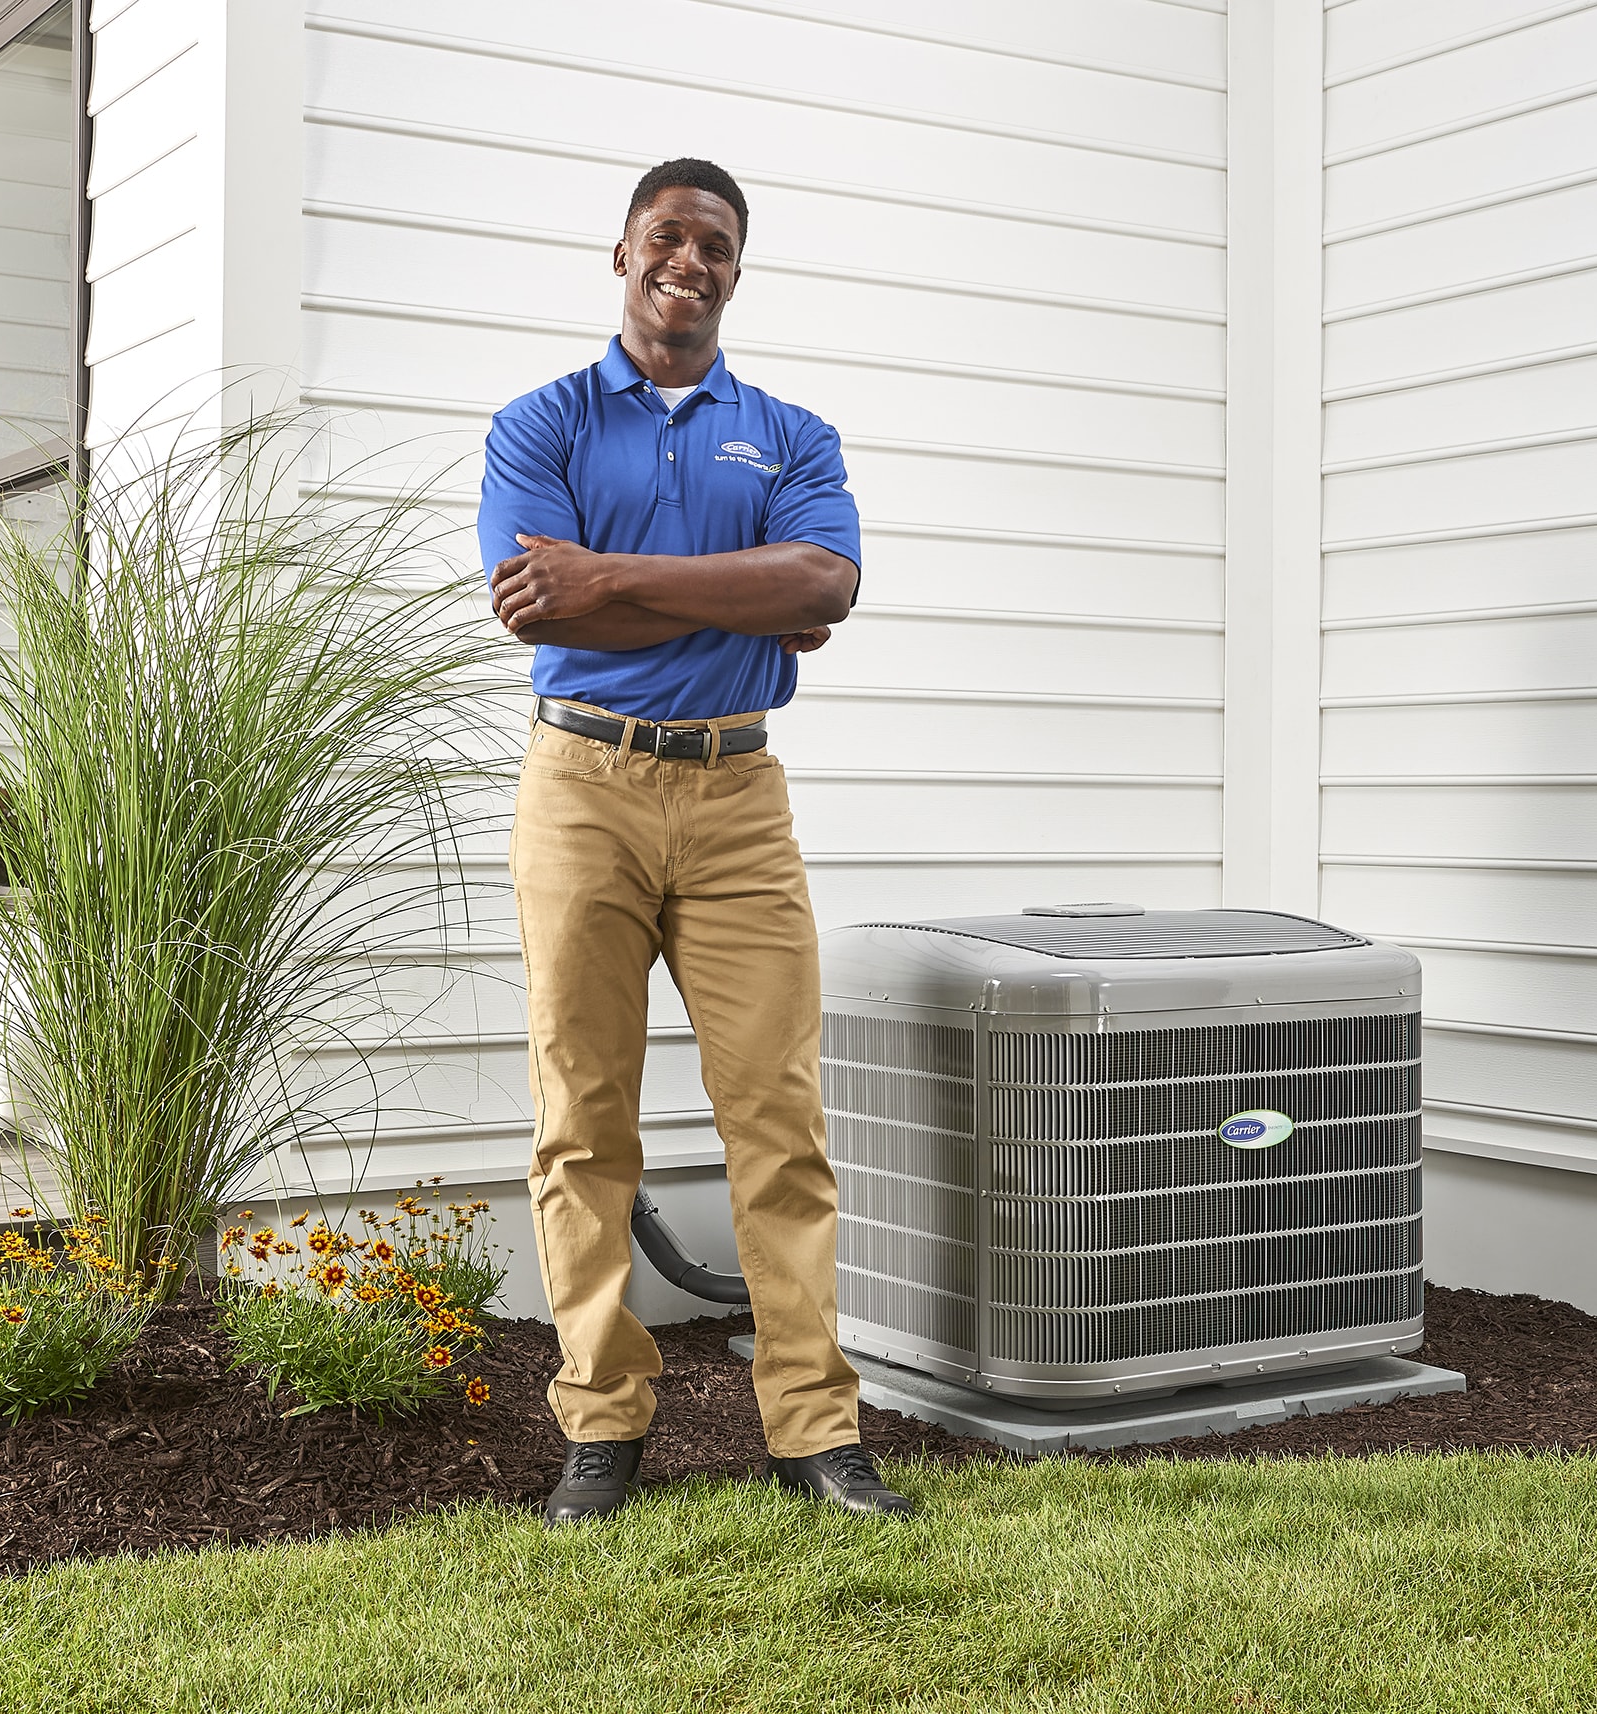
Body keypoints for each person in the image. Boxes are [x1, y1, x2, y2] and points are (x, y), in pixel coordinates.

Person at [479, 157, 914, 1525]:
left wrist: (608, 572)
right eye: (668, 236)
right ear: (623, 252)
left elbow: (827, 578)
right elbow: (543, 613)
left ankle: (812, 1429)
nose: (692, 259)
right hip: (582, 789)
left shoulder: (789, 433)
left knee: (779, 1122)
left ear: (737, 268)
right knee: (582, 1119)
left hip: (738, 798)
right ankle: (602, 1424)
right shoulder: (539, 424)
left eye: (717, 243)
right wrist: (736, 598)